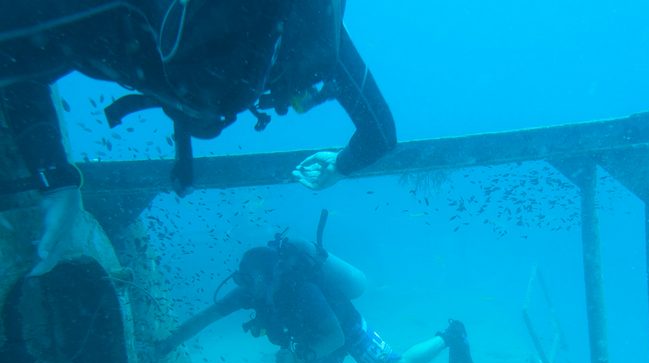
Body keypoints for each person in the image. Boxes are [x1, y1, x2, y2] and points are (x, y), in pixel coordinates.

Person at [1, 0, 396, 274]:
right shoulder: (105, 12)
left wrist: (341, 164)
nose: (226, 95)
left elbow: (380, 134)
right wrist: (54, 177)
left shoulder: (314, 32)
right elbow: (12, 59)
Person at [158, 216, 497, 363]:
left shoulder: (301, 289)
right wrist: (169, 342)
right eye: (242, 280)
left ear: (265, 275)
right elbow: (206, 317)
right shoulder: (250, 291)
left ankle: (450, 334)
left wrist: (301, 358)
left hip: (344, 328)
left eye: (249, 280)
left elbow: (334, 336)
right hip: (310, 337)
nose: (243, 287)